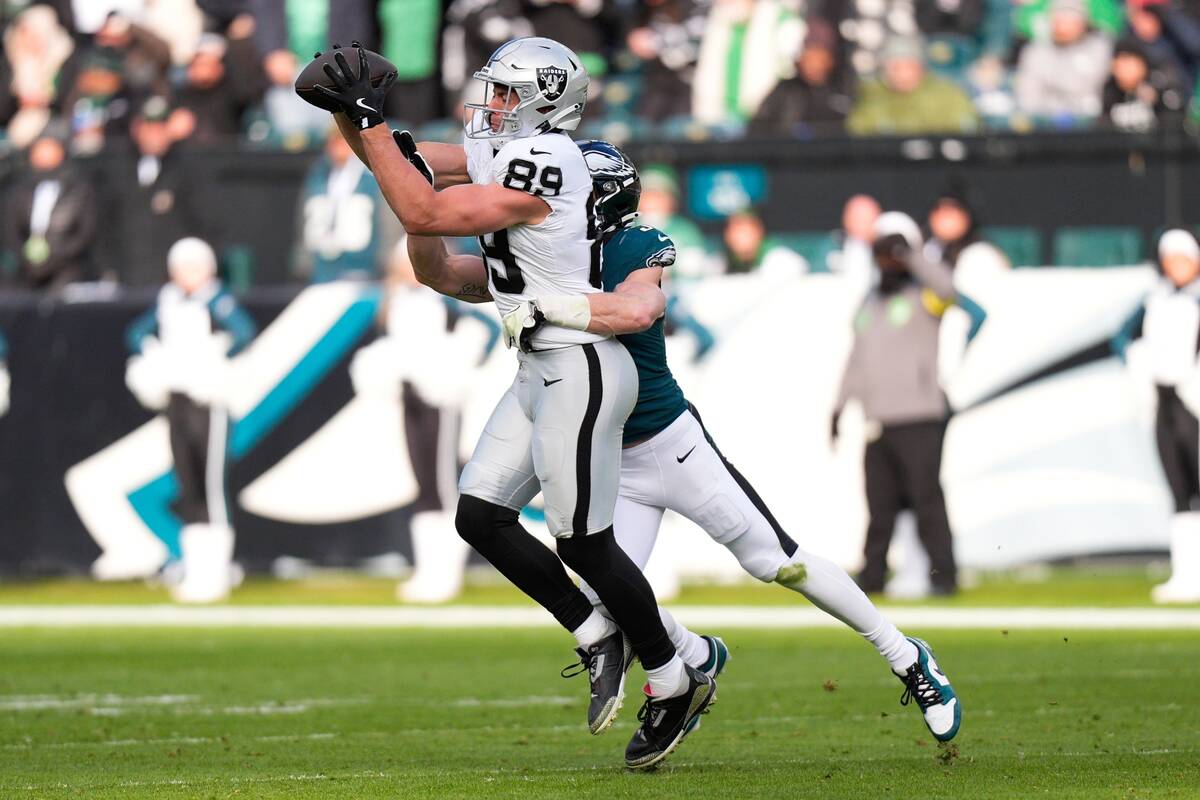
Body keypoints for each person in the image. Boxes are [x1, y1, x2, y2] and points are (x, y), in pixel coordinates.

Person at [306, 40, 715, 769]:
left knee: (583, 542)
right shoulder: (505, 149)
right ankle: (594, 635)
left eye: (503, 95)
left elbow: (426, 210)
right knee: (481, 515)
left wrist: (369, 124)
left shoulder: (552, 161)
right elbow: (399, 161)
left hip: (580, 363)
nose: (488, 106)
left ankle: (674, 673)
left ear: (543, 103)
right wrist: (351, 114)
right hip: (537, 363)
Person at [573, 139, 962, 744]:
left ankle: (907, 657)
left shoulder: (635, 246)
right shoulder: (556, 256)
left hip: (672, 445)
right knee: (602, 596)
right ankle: (692, 658)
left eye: (564, 187)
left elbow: (632, 309)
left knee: (778, 563)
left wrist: (548, 304)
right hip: (614, 456)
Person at [349, 237, 500, 603]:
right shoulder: (392, 302)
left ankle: (447, 572)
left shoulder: (447, 299)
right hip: (410, 397)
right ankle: (427, 569)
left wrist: (460, 362)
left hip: (441, 397)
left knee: (444, 483)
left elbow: (490, 328)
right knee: (424, 484)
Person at [833, 212, 962, 597]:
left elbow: (949, 289)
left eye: (894, 252)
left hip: (919, 415)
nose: (888, 260)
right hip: (878, 419)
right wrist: (839, 406)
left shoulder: (924, 296)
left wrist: (912, 256)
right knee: (879, 505)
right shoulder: (870, 301)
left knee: (927, 501)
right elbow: (856, 359)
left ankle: (944, 576)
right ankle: (873, 575)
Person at [124, 237, 257, 603]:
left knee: (210, 484)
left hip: (207, 398)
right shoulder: (167, 300)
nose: (188, 275)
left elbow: (244, 332)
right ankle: (196, 569)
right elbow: (135, 334)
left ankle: (216, 571)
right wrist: (158, 356)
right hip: (177, 398)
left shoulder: (217, 299)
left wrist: (212, 358)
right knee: (188, 484)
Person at [1113, 229, 1200, 604]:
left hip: (1194, 400)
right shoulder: (1154, 299)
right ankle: (1186, 573)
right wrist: (1140, 369)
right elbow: (1122, 338)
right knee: (1179, 488)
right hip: (1165, 401)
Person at [293, 126, 399, 283]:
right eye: (332, 141)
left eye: (342, 140)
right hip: (320, 273)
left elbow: (388, 227)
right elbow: (304, 224)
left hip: (364, 273)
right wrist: (303, 265)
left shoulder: (374, 179)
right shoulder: (318, 177)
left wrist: (385, 265)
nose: (336, 147)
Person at [6, 127, 98, 290]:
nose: (43, 154)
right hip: (27, 270)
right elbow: (11, 230)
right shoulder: (20, 189)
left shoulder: (79, 190)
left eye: (49, 148)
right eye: (40, 148)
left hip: (68, 270)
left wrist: (56, 255)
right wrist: (27, 256)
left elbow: (84, 233)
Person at [846, 36, 979, 136]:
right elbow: (858, 131)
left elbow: (967, 131)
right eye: (895, 68)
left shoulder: (948, 94)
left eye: (909, 66)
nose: (903, 74)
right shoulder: (872, 95)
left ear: (921, 68)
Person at [750, 17, 854, 137]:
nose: (812, 60)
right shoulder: (785, 91)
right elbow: (758, 128)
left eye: (818, 52)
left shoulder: (847, 88)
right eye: (807, 51)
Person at [1014, 0, 1113, 122]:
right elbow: (1028, 98)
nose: (1062, 27)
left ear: (1082, 23)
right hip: (1044, 124)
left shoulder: (1099, 47)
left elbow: (1089, 89)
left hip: (1089, 124)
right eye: (1059, 21)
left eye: (1069, 21)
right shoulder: (1035, 51)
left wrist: (1054, 86)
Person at [1101, 37, 1187, 131]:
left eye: (1129, 62)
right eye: (1119, 63)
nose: (1124, 69)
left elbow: (1178, 121)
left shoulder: (1160, 83)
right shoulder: (1110, 90)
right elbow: (1105, 127)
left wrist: (1157, 100)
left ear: (1142, 63)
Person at [715, 209, 807, 276]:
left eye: (742, 228)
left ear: (758, 229)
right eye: (731, 229)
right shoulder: (722, 263)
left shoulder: (781, 260)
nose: (736, 235)